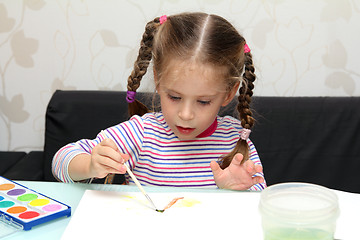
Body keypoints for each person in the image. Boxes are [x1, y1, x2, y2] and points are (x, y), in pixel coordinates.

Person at [52, 12, 266, 191]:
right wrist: (90, 165)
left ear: (229, 93)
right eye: (174, 97)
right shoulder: (142, 133)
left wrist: (232, 191)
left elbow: (259, 199)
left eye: (203, 101)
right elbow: (60, 160)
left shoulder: (234, 139)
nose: (186, 114)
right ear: (158, 80)